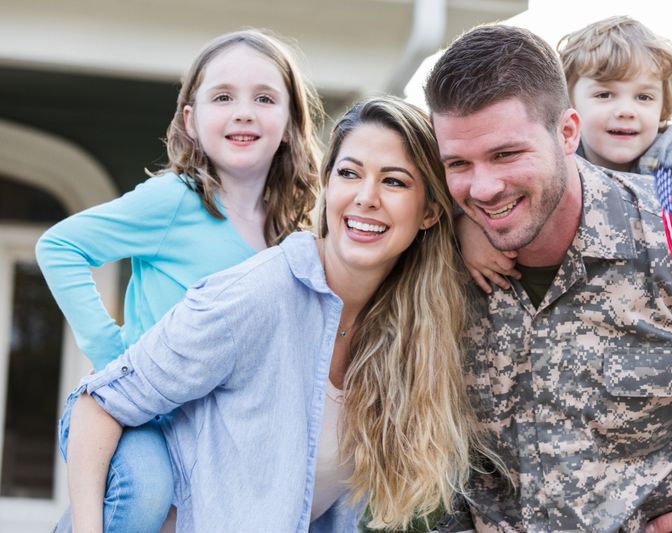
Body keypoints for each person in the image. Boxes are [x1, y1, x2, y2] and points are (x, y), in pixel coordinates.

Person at [425, 24, 672, 532]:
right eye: (458, 164)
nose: (484, 187)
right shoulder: (433, 265)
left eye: (507, 154)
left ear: (567, 132)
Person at [58, 96, 486, 532]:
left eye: (394, 182)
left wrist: (472, 231)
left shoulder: (405, 330)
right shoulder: (257, 296)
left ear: (431, 211)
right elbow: (97, 405)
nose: (365, 197)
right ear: (328, 185)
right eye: (349, 173)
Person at [37, 28, 323, 531]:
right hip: (135, 417)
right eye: (222, 97)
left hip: (211, 435)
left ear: (290, 122)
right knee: (146, 489)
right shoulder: (175, 199)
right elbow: (59, 246)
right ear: (190, 120)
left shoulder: (292, 233)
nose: (243, 111)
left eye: (263, 97)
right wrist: (112, 356)